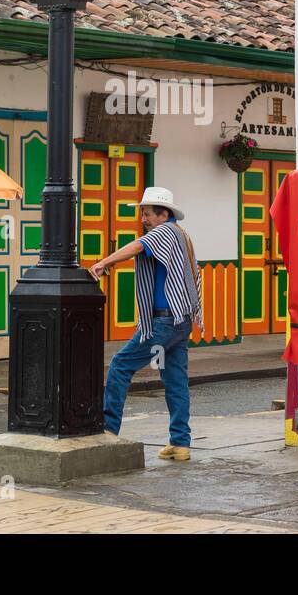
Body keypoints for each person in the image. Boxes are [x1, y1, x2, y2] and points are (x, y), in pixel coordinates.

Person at [88, 186, 203, 462]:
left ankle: (108, 431)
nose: (143, 219)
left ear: (164, 215)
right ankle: (180, 443)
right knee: (175, 380)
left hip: (164, 321)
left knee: (120, 365)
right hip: (181, 320)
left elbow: (137, 246)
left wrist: (104, 262)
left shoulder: (165, 232)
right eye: (142, 213)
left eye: (148, 213)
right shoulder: (182, 235)